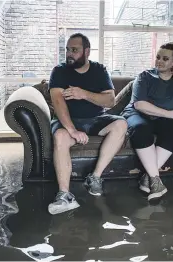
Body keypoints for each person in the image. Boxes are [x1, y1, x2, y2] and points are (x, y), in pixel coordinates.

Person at [48, 33, 128, 215]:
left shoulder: (99, 70)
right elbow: (58, 102)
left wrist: (83, 94)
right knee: (60, 136)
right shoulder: (59, 71)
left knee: (121, 124)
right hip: (69, 121)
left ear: (87, 52)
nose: (69, 54)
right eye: (67, 49)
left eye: (74, 50)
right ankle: (64, 195)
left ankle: (95, 177)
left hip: (95, 120)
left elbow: (110, 101)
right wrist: (72, 130)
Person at [121, 41, 173, 201]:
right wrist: (169, 114)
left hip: (163, 119)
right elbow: (140, 105)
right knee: (140, 129)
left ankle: (149, 177)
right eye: (158, 57)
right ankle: (156, 180)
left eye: (165, 59)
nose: (159, 61)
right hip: (138, 114)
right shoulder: (145, 76)